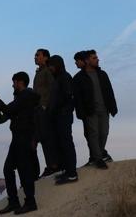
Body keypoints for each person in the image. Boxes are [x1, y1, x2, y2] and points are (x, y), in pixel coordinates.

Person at [0, 72, 40, 214]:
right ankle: (14, 202)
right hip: (17, 138)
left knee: (24, 171)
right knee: (8, 169)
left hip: (24, 138)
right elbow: (3, 118)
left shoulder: (27, 96)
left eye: (14, 82)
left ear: (20, 82)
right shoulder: (19, 99)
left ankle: (30, 202)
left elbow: (9, 109)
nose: (13, 85)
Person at [72, 50, 118, 169]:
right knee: (93, 134)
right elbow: (78, 98)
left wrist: (113, 107)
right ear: (87, 60)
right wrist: (81, 113)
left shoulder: (103, 74)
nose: (97, 59)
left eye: (96, 57)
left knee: (104, 133)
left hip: (104, 109)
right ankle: (98, 158)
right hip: (90, 111)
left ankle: (99, 154)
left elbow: (109, 91)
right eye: (94, 58)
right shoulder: (78, 78)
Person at [46, 55, 78, 185]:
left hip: (63, 116)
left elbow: (69, 97)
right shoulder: (58, 78)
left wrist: (64, 111)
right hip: (58, 117)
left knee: (66, 143)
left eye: (51, 65)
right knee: (61, 144)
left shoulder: (65, 77)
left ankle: (72, 174)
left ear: (58, 65)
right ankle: (67, 170)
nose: (50, 68)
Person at [33, 49, 56, 178]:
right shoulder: (38, 72)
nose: (35, 57)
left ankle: (53, 165)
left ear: (46, 57)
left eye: (38, 55)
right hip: (38, 110)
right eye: (35, 55)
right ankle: (50, 165)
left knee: (47, 138)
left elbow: (52, 88)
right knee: (42, 138)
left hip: (44, 110)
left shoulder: (47, 71)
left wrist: (45, 106)